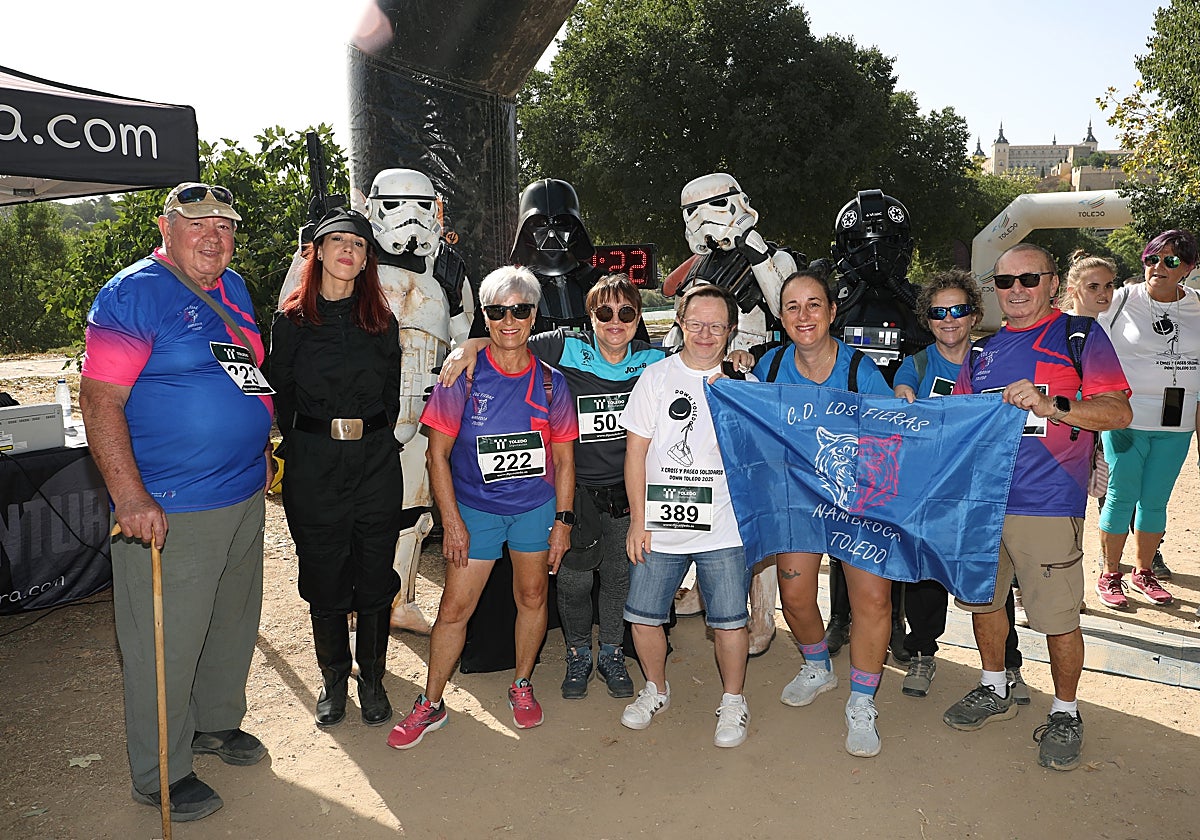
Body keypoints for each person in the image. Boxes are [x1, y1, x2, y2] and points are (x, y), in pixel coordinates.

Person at [79, 183, 274, 820]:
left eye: (224, 224)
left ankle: (215, 722)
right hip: (170, 505)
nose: (213, 236)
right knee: (165, 642)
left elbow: (243, 371)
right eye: (197, 224)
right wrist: (130, 496)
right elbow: (99, 400)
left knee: (230, 621)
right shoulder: (132, 293)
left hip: (242, 492)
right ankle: (160, 770)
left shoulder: (233, 288)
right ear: (166, 228)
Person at [944, 243, 1131, 772]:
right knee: (984, 604)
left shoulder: (1079, 336)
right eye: (1005, 281)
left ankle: (1066, 712)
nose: (1018, 290)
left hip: (1047, 503)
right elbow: (957, 422)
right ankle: (994, 686)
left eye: (1029, 278)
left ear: (1052, 283)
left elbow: (1118, 412)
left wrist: (1053, 405)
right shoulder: (982, 352)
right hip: (984, 505)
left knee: (1056, 617)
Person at [439, 274, 663, 700]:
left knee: (618, 579)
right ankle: (578, 652)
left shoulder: (654, 358)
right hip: (576, 489)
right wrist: (470, 346)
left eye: (626, 312)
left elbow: (697, 363)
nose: (615, 321)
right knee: (574, 582)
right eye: (604, 312)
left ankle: (611, 652)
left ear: (638, 319)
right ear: (589, 317)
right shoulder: (564, 346)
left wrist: (734, 359)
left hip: (627, 491)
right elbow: (510, 338)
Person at [387, 266, 578, 749]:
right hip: (475, 511)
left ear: (533, 315)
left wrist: (563, 522)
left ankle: (522, 683)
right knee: (454, 609)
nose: (509, 321)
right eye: (497, 311)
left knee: (532, 597)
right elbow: (436, 456)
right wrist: (451, 522)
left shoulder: (552, 383)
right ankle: (431, 703)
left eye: (519, 310)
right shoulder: (463, 376)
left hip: (535, 509)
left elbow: (564, 460)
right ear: (486, 317)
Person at [748, 269, 895, 758]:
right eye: (792, 306)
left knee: (872, 600)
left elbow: (893, 434)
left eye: (815, 304)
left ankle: (862, 699)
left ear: (832, 312)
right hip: (797, 500)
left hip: (857, 500)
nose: (804, 315)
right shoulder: (768, 366)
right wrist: (728, 371)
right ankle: (817, 666)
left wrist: (904, 401)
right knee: (794, 596)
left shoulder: (860, 371)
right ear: (780, 316)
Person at [269, 207, 402, 728]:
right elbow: (280, 393)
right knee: (323, 572)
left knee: (375, 572)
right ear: (319, 251)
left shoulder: (381, 322)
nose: (348, 249)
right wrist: (311, 441)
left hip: (374, 462)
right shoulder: (291, 322)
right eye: (338, 240)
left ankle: (373, 678)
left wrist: (369, 437)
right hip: (314, 463)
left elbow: (391, 394)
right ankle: (333, 678)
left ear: (367, 259)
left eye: (359, 243)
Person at [621, 284, 753, 748]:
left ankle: (733, 700)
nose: (705, 334)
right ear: (680, 323)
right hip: (660, 525)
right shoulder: (656, 378)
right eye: (696, 323)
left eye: (716, 326)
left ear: (731, 330)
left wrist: (739, 382)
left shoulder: (742, 382)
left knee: (730, 621)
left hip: (724, 526)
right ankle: (655, 689)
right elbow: (635, 453)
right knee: (643, 616)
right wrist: (638, 520)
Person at [892, 271, 1030, 705]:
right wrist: (902, 396)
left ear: (974, 316)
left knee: (991, 578)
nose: (949, 319)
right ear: (927, 320)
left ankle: (1008, 663)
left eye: (959, 310)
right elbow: (901, 397)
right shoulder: (916, 365)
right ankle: (922, 653)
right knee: (925, 575)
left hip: (983, 491)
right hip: (932, 492)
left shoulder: (995, 358)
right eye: (938, 312)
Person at [1095, 230, 1200, 608]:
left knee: (1155, 501)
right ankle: (1110, 574)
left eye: (1170, 260)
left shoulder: (1198, 305)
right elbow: (1087, 343)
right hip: (1126, 420)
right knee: (1121, 497)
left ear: (1188, 268)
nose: (1158, 267)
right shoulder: (1121, 300)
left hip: (1177, 424)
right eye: (1152, 259)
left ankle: (1143, 572)